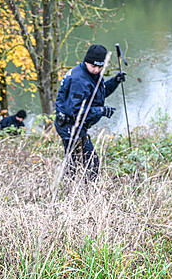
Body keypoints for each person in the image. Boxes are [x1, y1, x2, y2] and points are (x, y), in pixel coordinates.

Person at [54, 44, 126, 178]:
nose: (96, 70)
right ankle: (83, 193)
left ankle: (74, 190)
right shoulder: (79, 80)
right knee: (90, 162)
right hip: (69, 124)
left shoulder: (91, 74)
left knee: (78, 161)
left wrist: (115, 81)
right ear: (86, 61)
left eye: (100, 67)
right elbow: (75, 111)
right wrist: (100, 111)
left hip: (77, 124)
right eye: (94, 66)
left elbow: (98, 95)